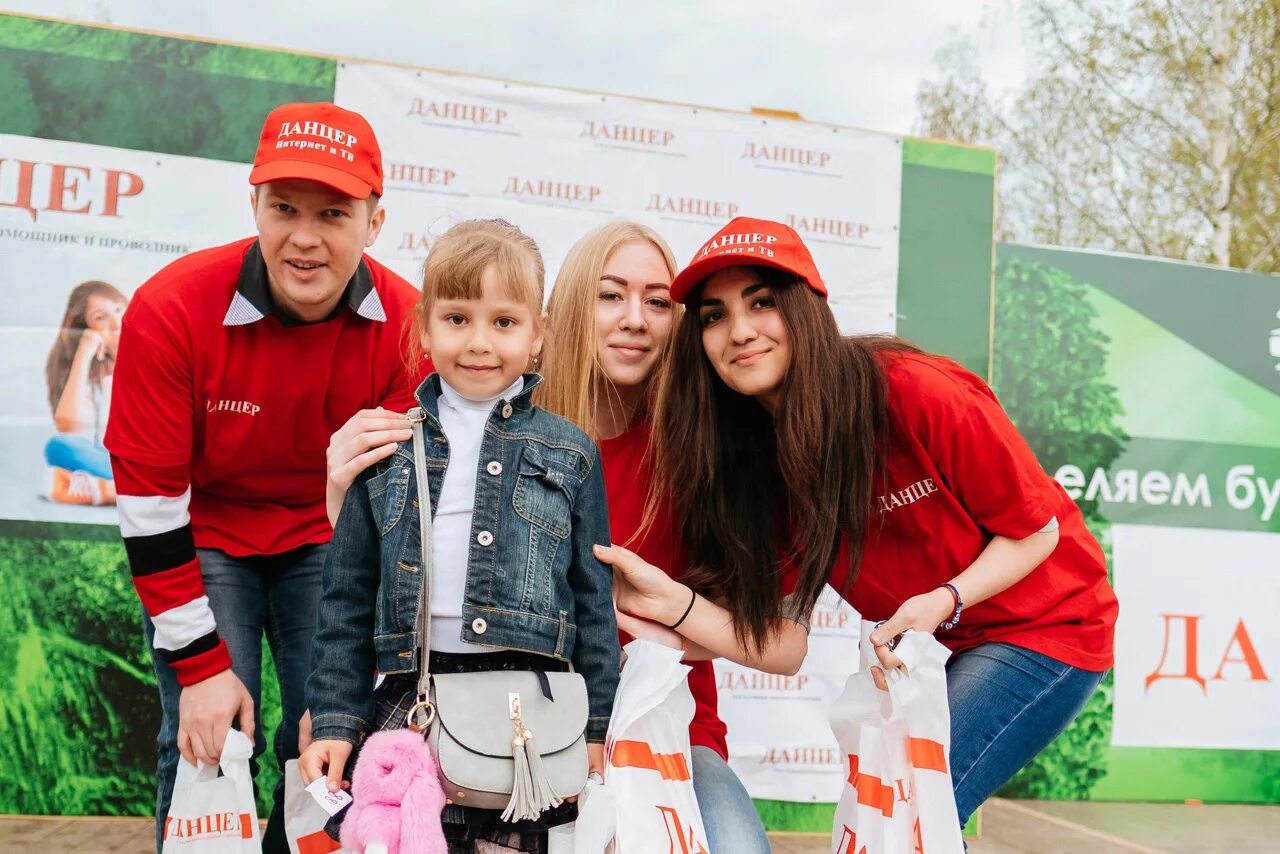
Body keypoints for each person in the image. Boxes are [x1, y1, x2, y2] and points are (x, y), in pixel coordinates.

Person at [598, 216, 1119, 829]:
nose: (739, 332)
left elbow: (1039, 530)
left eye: (762, 303)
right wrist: (665, 613)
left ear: (806, 309)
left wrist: (943, 600)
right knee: (896, 821)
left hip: (1047, 626)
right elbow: (781, 640)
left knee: (912, 814)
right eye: (714, 315)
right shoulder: (755, 464)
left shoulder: (912, 391)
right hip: (931, 649)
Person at [105, 102, 421, 853]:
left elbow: (404, 518)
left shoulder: (412, 327)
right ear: (253, 205)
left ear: (375, 221)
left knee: (329, 737)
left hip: (331, 537)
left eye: (334, 213)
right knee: (209, 732)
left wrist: (352, 688)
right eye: (283, 209)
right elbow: (150, 509)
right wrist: (203, 667)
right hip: (205, 532)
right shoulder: (171, 308)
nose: (305, 238)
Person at [300, 219, 618, 854]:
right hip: (409, 695)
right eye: (457, 319)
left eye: (504, 322)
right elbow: (345, 599)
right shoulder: (387, 446)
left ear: (537, 336)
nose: (479, 343)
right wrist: (335, 718)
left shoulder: (572, 453)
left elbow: (593, 603)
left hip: (526, 707)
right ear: (424, 328)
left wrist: (595, 727)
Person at [538, 220, 770, 852]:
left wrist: (672, 634)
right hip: (532, 728)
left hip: (672, 731)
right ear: (567, 309)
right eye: (610, 295)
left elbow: (741, 625)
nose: (635, 318)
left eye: (657, 301)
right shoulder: (516, 434)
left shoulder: (702, 446)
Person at [43, 280, 128, 506]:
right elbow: (70, 428)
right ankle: (125, 489)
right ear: (85, 327)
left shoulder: (158, 355)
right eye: (101, 317)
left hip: (154, 457)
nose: (116, 322)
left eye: (119, 309)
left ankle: (107, 490)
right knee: (59, 447)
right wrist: (84, 351)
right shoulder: (94, 376)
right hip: (112, 461)